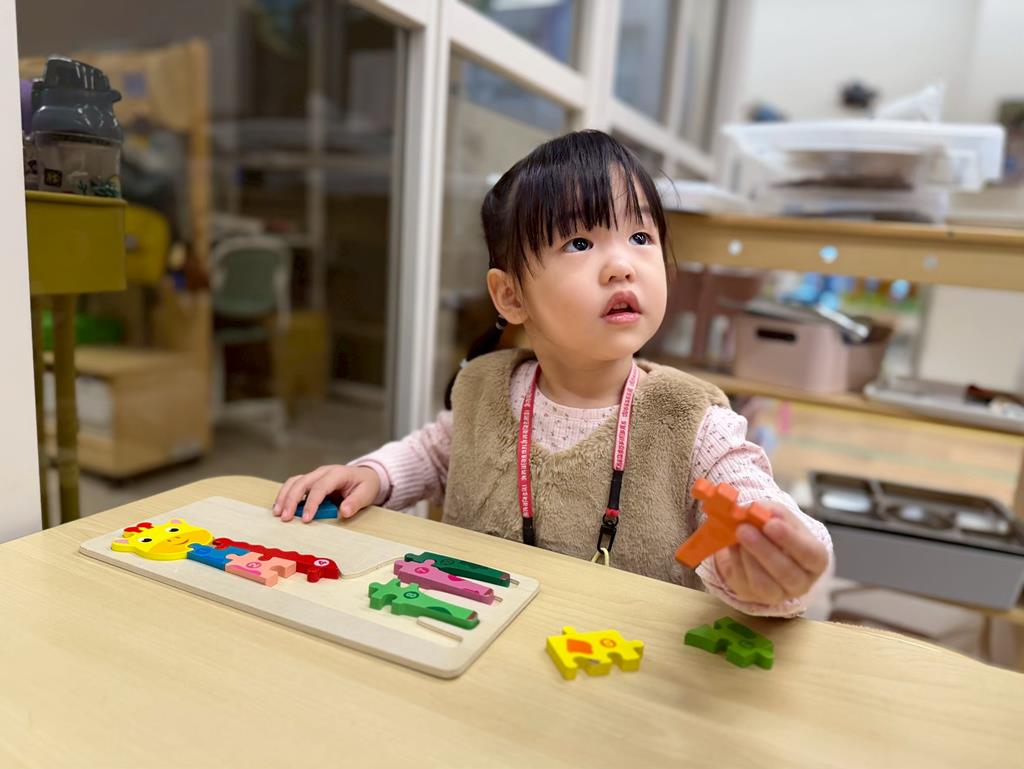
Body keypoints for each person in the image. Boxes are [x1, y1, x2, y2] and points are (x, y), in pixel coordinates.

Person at [273, 130, 831, 617]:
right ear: (511, 296)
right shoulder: (487, 390)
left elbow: (754, 499)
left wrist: (775, 558)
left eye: (640, 237)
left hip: (622, 665)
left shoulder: (692, 421)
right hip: (474, 641)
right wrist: (375, 476)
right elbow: (438, 453)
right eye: (580, 243)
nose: (622, 265)